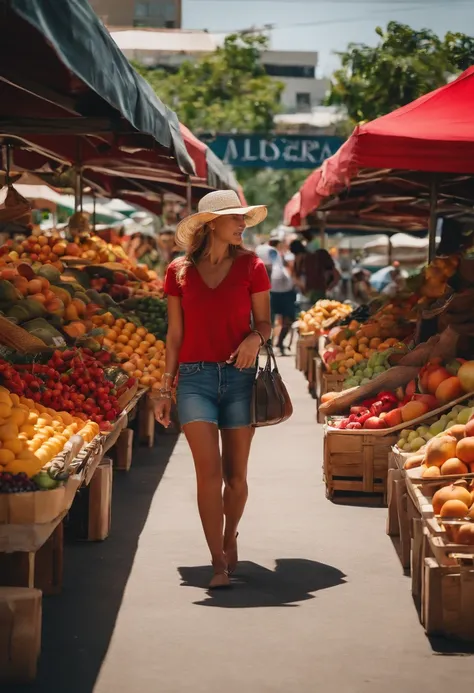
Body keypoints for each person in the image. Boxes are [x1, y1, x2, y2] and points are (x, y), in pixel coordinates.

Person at [153, 190, 272, 590]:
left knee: (236, 478)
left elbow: (266, 323)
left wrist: (255, 339)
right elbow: (174, 336)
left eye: (243, 217)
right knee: (209, 474)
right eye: (234, 217)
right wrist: (164, 389)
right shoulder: (178, 272)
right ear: (209, 225)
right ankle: (217, 561)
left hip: (240, 379)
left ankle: (229, 534)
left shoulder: (253, 266)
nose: (242, 223)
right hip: (195, 380)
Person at [268, 233, 296, 356]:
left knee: (287, 320)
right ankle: (269, 345)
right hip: (273, 292)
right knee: (270, 321)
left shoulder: (286, 256)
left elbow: (291, 269)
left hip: (287, 292)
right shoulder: (267, 256)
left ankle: (279, 344)